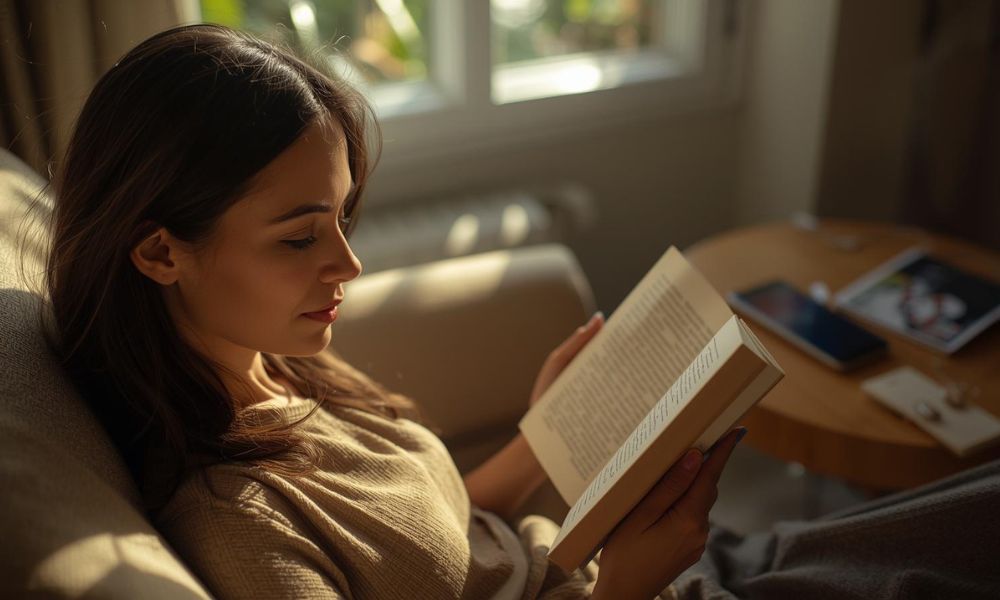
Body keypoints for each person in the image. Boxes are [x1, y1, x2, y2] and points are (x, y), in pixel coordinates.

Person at [41, 23, 744, 599]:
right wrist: (625, 584)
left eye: (343, 215)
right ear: (162, 254)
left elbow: (431, 549)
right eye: (297, 236)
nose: (349, 265)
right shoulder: (238, 526)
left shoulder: (273, 361)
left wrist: (543, 435)